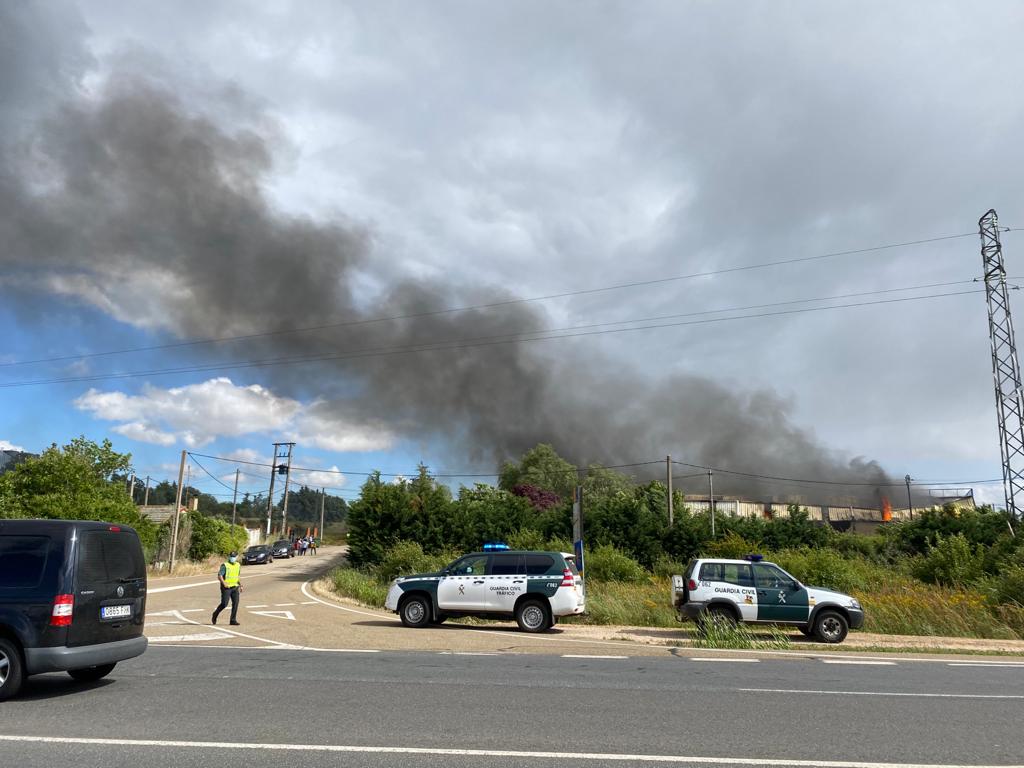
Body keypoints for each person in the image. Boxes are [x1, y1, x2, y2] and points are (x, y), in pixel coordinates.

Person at [212, 551, 243, 626]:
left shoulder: (238, 565)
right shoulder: (225, 565)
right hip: (226, 588)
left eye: (234, 556)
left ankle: (233, 620)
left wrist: (241, 585)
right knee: (224, 604)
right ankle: (215, 614)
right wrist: (224, 583)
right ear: (229, 557)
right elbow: (220, 576)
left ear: (237, 557)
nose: (232, 558)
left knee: (236, 603)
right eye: (231, 556)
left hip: (235, 587)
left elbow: (237, 576)